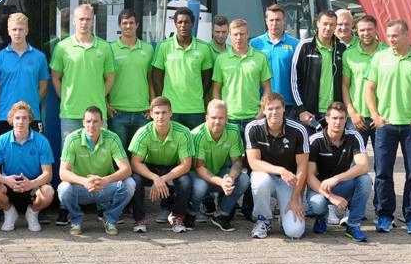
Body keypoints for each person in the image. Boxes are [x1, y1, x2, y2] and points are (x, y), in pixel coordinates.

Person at [365, 19, 411, 235]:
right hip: (385, 126)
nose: (391, 40)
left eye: (395, 36)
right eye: (388, 36)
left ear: (406, 35)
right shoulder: (379, 57)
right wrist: (375, 116)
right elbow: (369, 88)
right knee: (382, 173)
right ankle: (384, 215)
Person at [57, 106, 135, 236]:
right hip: (81, 187)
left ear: (102, 122)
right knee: (64, 188)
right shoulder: (72, 139)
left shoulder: (112, 138)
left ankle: (110, 219)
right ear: (83, 122)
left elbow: (126, 169)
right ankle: (76, 220)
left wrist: (106, 180)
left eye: (95, 121)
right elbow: (63, 173)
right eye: (88, 121)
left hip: (104, 186)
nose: (91, 125)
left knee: (130, 184)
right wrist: (84, 181)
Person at [306, 102, 372, 242]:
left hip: (342, 184)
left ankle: (353, 225)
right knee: (317, 205)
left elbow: (364, 166)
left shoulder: (354, 136)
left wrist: (336, 178)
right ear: (327, 119)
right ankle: (321, 217)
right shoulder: (315, 140)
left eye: (342, 118)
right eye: (334, 118)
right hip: (319, 187)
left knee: (365, 180)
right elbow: (309, 176)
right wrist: (331, 197)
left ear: (346, 119)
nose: (338, 122)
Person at [245, 92, 309, 239]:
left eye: (278, 108)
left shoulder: (298, 130)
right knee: (260, 180)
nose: (274, 112)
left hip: (289, 182)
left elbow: (302, 167)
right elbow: (254, 163)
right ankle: (263, 219)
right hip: (266, 177)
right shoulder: (253, 128)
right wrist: (280, 170)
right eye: (270, 109)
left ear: (284, 108)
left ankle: (284, 218)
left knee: (295, 232)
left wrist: (295, 199)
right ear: (263, 110)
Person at [50, 3, 116, 143]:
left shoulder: (105, 47)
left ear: (93, 21)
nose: (84, 22)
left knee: (97, 154)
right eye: (81, 19)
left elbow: (110, 77)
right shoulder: (62, 47)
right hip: (70, 113)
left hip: (97, 113)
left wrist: (99, 94)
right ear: (74, 20)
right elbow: (55, 76)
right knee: (69, 154)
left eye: (88, 19)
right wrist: (65, 97)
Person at [0, 101, 55, 232]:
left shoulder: (42, 141)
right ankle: (9, 212)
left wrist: (31, 183)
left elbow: (48, 174)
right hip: (9, 184)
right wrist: (7, 181)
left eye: (24, 118)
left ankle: (32, 213)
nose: (20, 121)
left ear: (30, 120)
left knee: (48, 192)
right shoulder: (1, 140)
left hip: (33, 185)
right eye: (17, 118)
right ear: (11, 120)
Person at [128, 96, 193, 233]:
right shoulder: (143, 132)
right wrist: (155, 178)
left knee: (186, 181)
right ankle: (139, 219)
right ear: (151, 114)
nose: (160, 116)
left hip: (172, 168)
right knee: (135, 180)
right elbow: (135, 163)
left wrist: (163, 179)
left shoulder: (183, 132)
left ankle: (177, 216)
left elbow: (186, 165)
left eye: (164, 112)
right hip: (149, 168)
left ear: (171, 113)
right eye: (157, 113)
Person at [190, 100, 250, 232]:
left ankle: (221, 214)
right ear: (206, 118)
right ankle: (191, 213)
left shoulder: (233, 131)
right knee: (200, 186)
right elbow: (199, 168)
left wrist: (230, 178)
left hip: (219, 172)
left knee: (244, 179)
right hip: (197, 176)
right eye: (213, 117)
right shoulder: (197, 135)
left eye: (221, 118)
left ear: (226, 119)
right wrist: (221, 182)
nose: (217, 121)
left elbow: (237, 161)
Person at [0, 12, 49, 140]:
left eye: (20, 29)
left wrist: (31, 107)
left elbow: (43, 88)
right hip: (5, 118)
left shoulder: (40, 57)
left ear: (27, 31)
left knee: (35, 152)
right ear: (8, 31)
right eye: (14, 29)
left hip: (32, 117)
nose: (17, 33)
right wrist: (4, 112)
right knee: (2, 153)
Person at [152, 7, 212, 130]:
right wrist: (163, 100)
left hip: (195, 109)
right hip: (171, 109)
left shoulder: (204, 48)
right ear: (175, 24)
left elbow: (207, 80)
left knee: (195, 142)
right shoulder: (164, 46)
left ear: (192, 24)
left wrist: (197, 96)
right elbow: (157, 78)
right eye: (180, 22)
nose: (183, 25)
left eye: (186, 22)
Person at [211, 19, 271, 131]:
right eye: (235, 34)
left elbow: (267, 88)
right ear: (230, 35)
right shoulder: (221, 59)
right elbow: (216, 89)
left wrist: (261, 113)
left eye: (242, 34)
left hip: (253, 117)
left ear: (248, 34)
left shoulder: (260, 57)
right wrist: (221, 114)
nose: (239, 37)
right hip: (229, 118)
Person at [107, 9, 154, 152]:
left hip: (142, 112)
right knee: (118, 156)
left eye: (131, 23)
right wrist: (106, 104)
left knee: (139, 156)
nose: (128, 26)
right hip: (117, 111)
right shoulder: (109, 49)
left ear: (137, 25)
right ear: (119, 25)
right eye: (125, 23)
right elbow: (104, 79)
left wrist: (152, 105)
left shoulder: (148, 49)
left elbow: (150, 79)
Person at [291, 10, 346, 129]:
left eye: (332, 24)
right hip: (310, 114)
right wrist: (301, 110)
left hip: (335, 113)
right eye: (325, 24)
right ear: (318, 24)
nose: (328, 28)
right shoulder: (305, 46)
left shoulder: (342, 48)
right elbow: (294, 81)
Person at [342, 15, 386, 149]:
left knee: (383, 159)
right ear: (357, 31)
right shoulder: (348, 54)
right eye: (362, 30)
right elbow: (345, 86)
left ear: (376, 30)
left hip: (382, 116)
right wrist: (352, 113)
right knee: (355, 159)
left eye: (369, 29)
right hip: (357, 118)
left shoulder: (388, 52)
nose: (366, 33)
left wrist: (384, 115)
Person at [250, 4, 300, 118]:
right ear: (266, 21)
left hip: (288, 104)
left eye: (278, 20)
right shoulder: (255, 44)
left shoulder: (296, 44)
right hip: (261, 104)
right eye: (271, 20)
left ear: (284, 21)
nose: (274, 23)